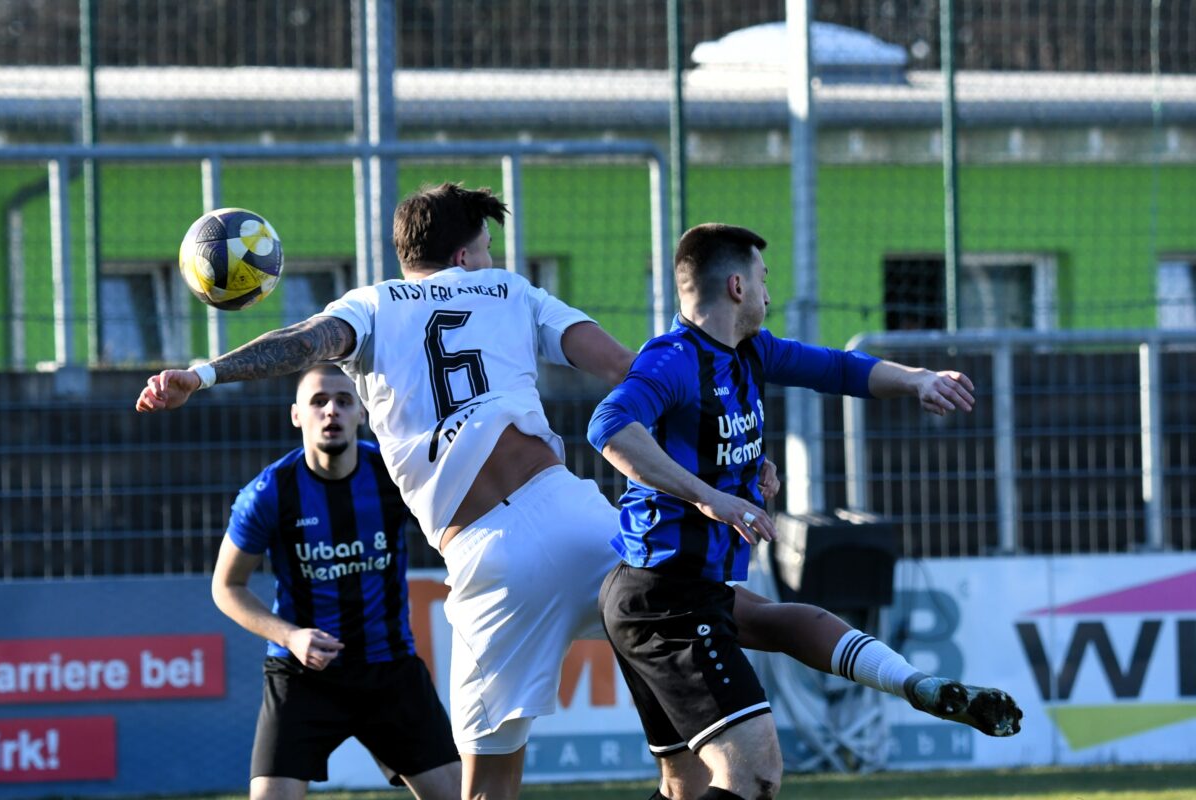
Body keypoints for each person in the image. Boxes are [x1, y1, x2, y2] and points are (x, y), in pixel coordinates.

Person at [138, 184, 1019, 800]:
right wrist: (721, 464)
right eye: (483, 244)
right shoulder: (512, 288)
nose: (491, 258)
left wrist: (205, 373)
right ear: (464, 250)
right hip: (575, 512)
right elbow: (630, 369)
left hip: (486, 555)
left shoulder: (374, 305)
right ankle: (905, 681)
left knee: (485, 792)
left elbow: (306, 340)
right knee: (722, 615)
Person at [587, 223, 1022, 800]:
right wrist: (711, 496)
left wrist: (916, 379)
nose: (771, 293)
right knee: (755, 775)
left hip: (684, 590)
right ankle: (914, 685)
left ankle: (916, 685)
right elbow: (608, 426)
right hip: (665, 598)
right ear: (738, 287)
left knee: (687, 785)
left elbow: (839, 369)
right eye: (765, 280)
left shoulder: (749, 352)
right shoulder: (673, 360)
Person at [210, 365, 460, 800]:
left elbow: (458, 522)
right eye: (318, 401)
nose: (331, 411)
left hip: (389, 669)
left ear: (361, 413)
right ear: (296, 416)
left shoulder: (393, 475)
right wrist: (291, 636)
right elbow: (226, 587)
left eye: (344, 401)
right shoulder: (269, 493)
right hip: (302, 674)